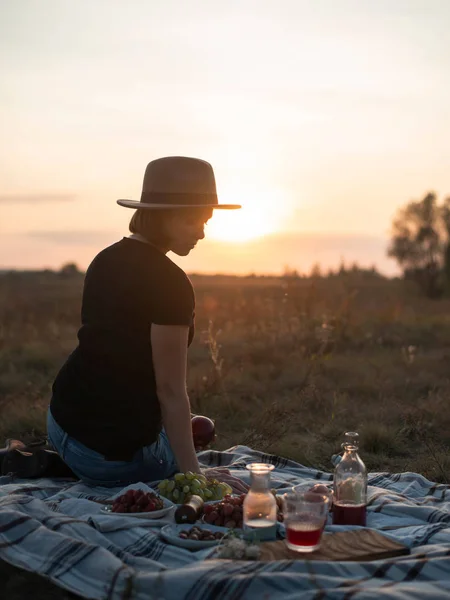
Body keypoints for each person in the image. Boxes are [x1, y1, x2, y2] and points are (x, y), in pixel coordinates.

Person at [46, 156, 248, 492]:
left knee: (189, 427)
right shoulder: (171, 283)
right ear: (163, 215)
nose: (201, 233)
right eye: (192, 221)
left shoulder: (104, 259)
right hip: (108, 459)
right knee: (200, 430)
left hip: (61, 422)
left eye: (206, 222)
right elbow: (169, 391)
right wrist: (195, 477)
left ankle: (58, 459)